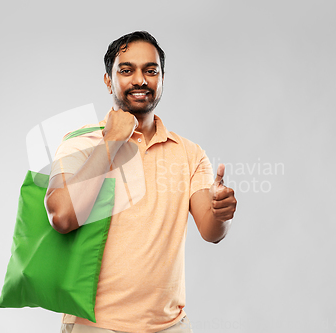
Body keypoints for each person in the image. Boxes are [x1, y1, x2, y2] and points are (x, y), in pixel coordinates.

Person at [44, 31, 237, 333]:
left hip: (170, 326)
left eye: (151, 70)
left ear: (162, 79)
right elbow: (62, 216)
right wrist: (112, 141)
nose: (140, 80)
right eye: (126, 70)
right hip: (95, 326)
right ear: (108, 81)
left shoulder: (188, 153)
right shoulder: (80, 143)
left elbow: (211, 232)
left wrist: (221, 213)